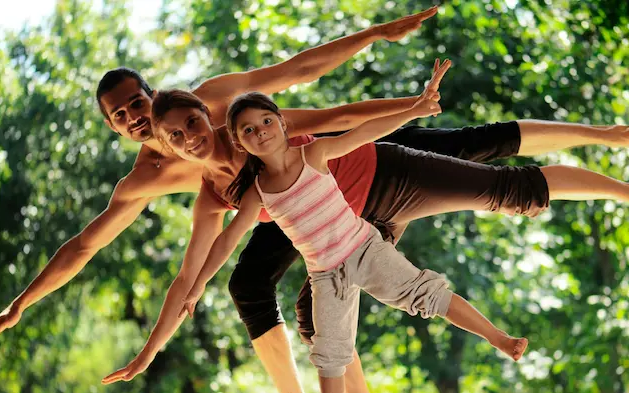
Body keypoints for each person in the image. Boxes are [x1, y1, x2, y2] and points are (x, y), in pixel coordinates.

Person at [101, 60, 629, 390]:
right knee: (318, 323)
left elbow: (343, 116)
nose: (190, 138)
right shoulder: (228, 193)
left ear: (207, 116)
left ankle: (624, 175)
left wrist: (409, 105)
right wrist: (151, 349)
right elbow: (194, 275)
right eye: (175, 137)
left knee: (496, 172)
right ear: (168, 146)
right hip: (358, 227)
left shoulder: (258, 125)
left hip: (386, 171)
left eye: (193, 124)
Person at [177, 83, 530, 393]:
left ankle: (500, 338)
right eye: (249, 130)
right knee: (328, 355)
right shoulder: (257, 193)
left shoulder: (313, 153)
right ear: (240, 142)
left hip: (364, 249)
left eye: (266, 121)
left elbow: (364, 132)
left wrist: (415, 109)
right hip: (326, 275)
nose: (261, 132)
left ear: (283, 123)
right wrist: (197, 285)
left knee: (425, 294)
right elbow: (226, 240)